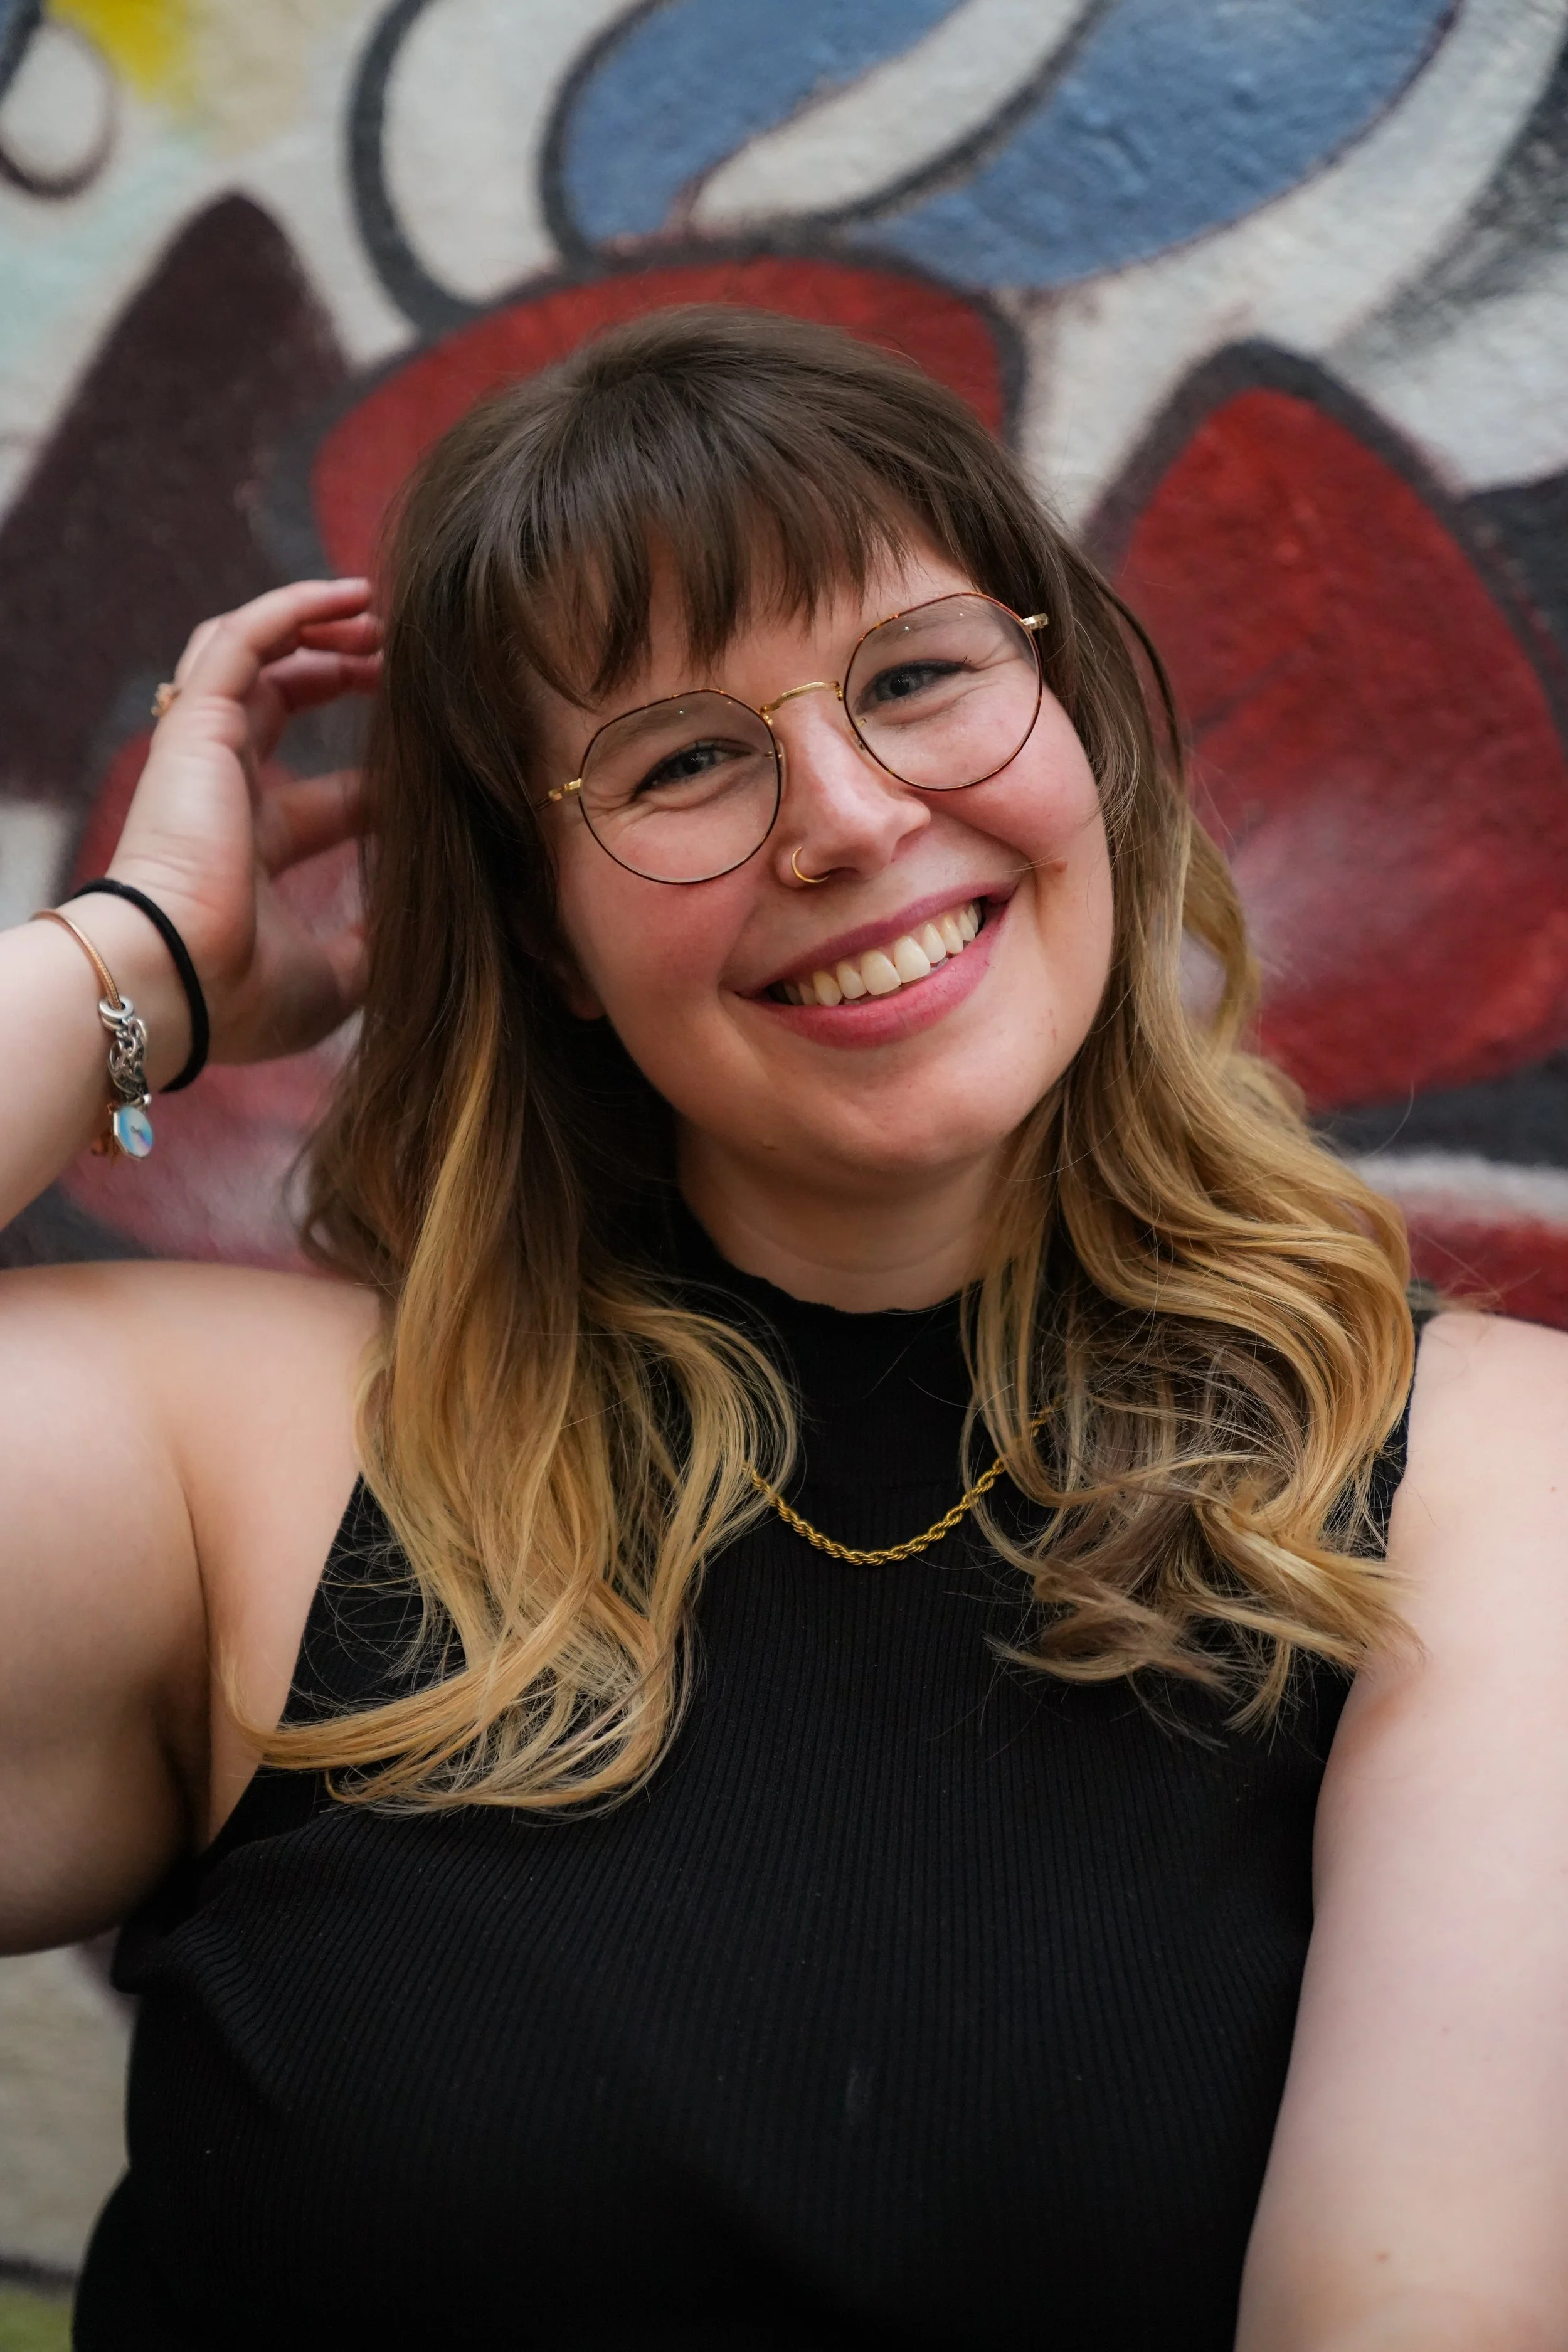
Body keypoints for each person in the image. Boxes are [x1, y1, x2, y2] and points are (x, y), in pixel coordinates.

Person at [0, 307, 1563, 2351]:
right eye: (678, 762)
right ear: (547, 927)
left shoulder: (1479, 1482)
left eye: (915, 676)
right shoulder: (247, 1470)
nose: (841, 813)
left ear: (1075, 722)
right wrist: (146, 965)